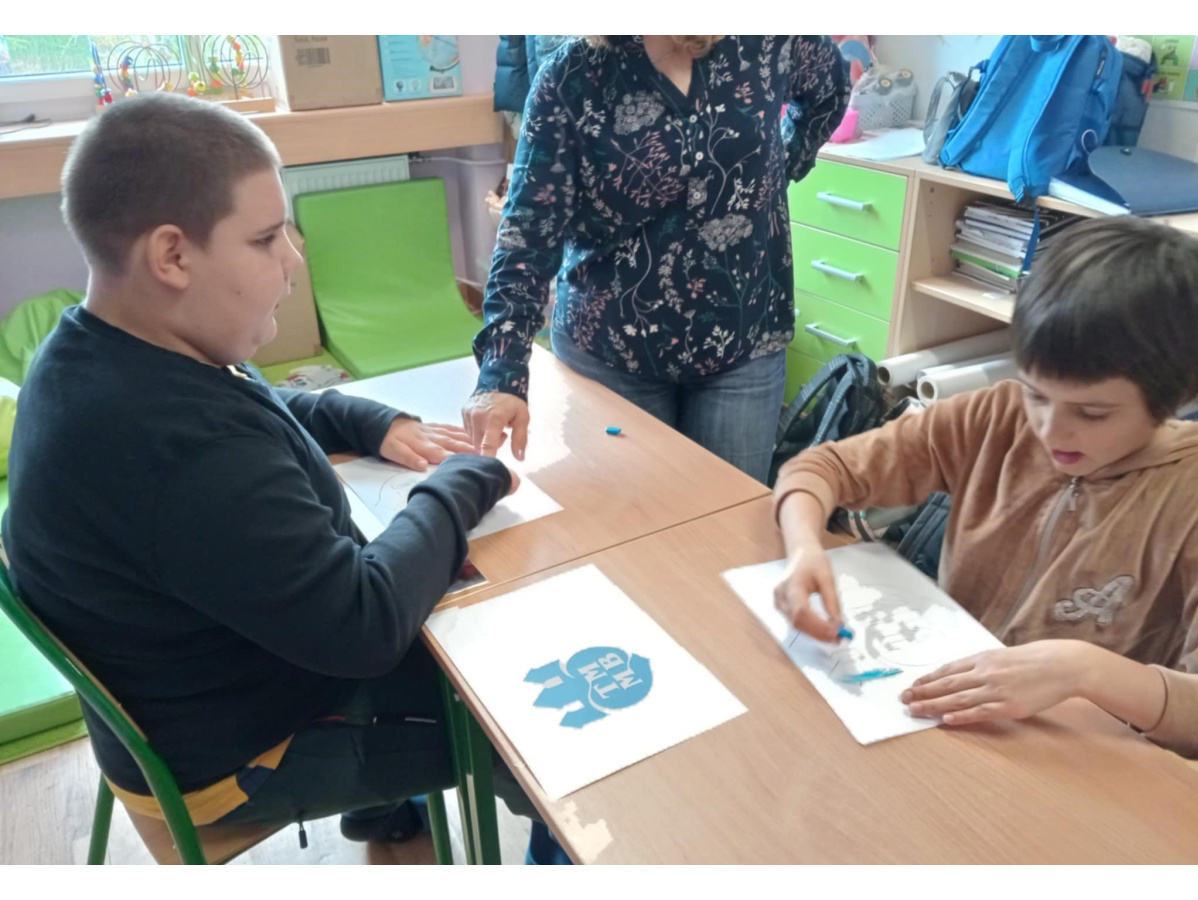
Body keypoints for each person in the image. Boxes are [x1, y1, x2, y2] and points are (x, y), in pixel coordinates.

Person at [2, 92, 540, 846]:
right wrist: (460, 484)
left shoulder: (98, 347)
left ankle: (382, 805)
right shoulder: (177, 452)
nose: (293, 259)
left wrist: (369, 421)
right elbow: (365, 625)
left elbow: (256, 402)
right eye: (265, 239)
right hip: (249, 752)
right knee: (519, 706)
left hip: (216, 678)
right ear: (172, 256)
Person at [772, 217, 1198, 758]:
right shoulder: (997, 415)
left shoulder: (1187, 493)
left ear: (1175, 398)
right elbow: (822, 469)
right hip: (940, 716)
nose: (1050, 431)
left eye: (1091, 413)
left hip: (1072, 756)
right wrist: (803, 548)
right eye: (1036, 394)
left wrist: (1085, 670)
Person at [464, 35, 850, 483]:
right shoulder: (571, 76)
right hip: (611, 351)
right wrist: (501, 372)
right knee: (631, 519)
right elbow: (527, 234)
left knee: (731, 518)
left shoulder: (771, 36)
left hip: (743, 343)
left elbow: (829, 89)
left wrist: (777, 171)